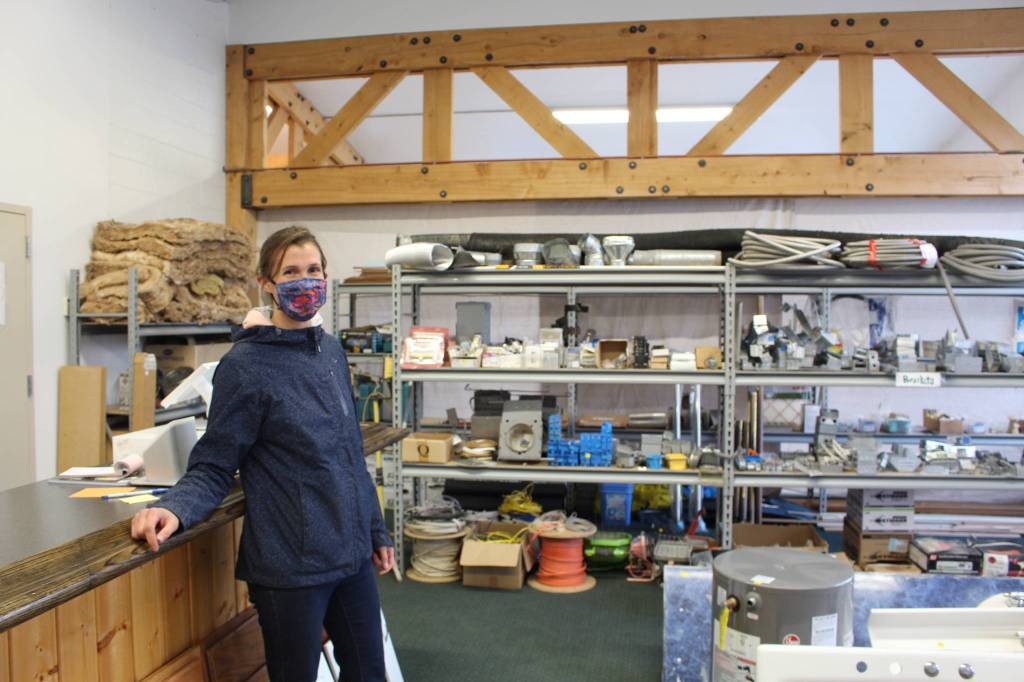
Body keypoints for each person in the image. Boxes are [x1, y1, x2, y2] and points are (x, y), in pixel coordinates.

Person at [131, 226, 394, 681]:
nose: (305, 281)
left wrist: (375, 531)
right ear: (266, 284)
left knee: (369, 673)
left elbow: (351, 456)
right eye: (290, 272)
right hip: (290, 566)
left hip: (349, 556)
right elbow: (214, 463)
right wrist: (172, 507)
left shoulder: (331, 351)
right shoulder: (245, 368)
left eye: (313, 270)